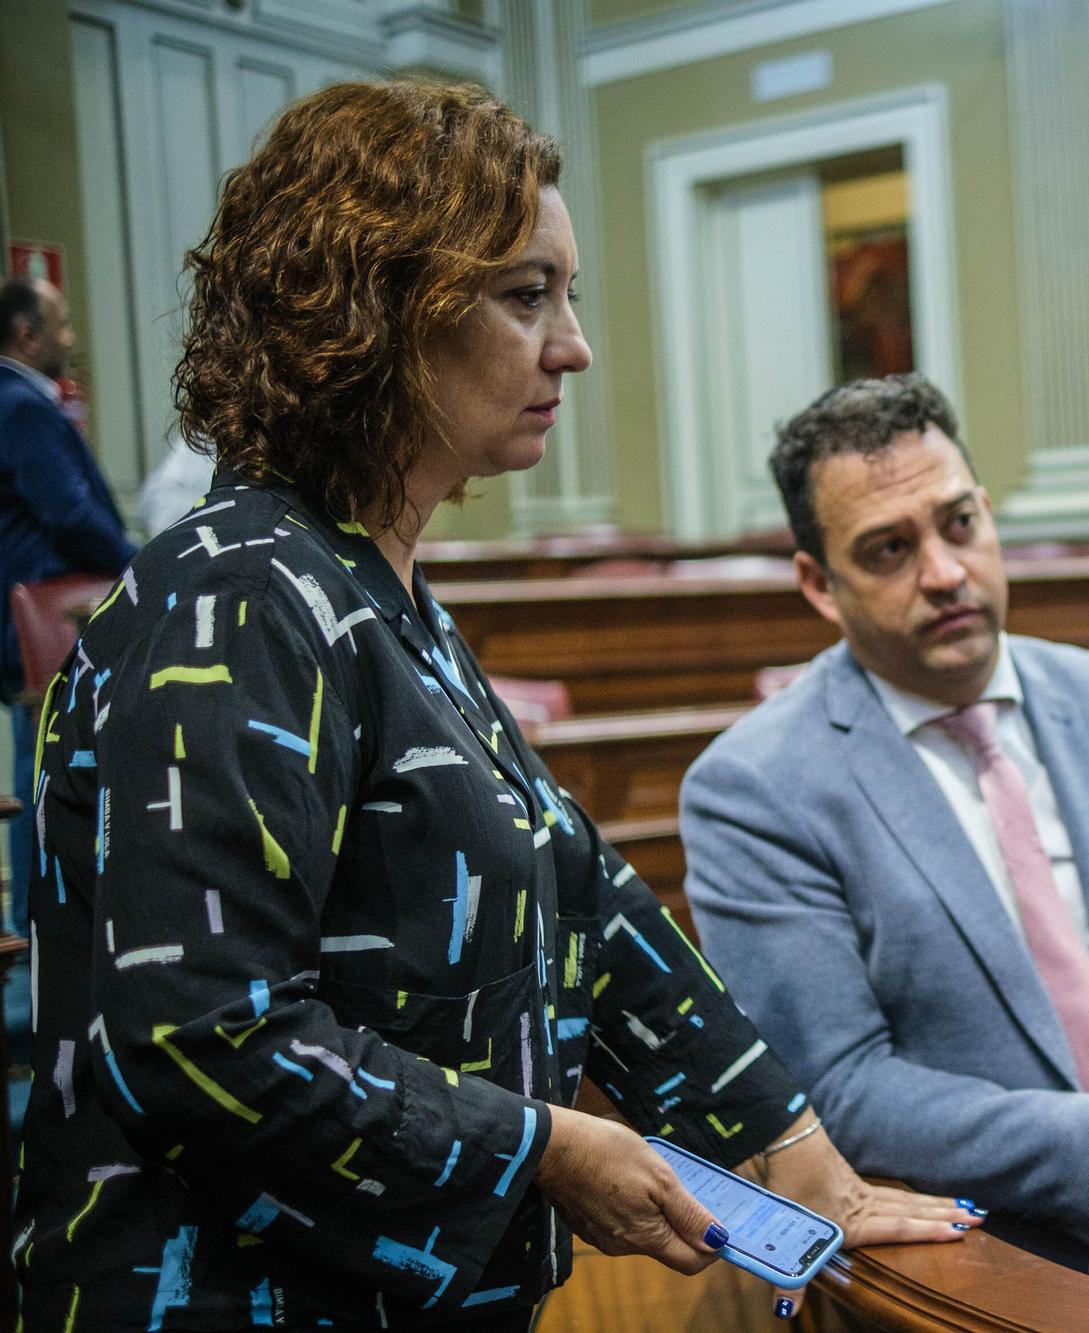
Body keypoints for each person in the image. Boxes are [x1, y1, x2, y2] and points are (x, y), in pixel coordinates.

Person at [15, 82, 976, 1331]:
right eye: (526, 296)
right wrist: (544, 1145)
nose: (570, 345)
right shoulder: (241, 595)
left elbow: (577, 888)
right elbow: (203, 1034)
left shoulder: (369, 582)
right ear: (373, 308)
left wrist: (797, 1155)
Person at [681, 374, 1089, 1321]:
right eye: (888, 549)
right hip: (980, 1278)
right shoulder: (756, 788)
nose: (943, 571)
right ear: (818, 583)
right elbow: (838, 1089)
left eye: (958, 523)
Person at [0, 275, 135, 935]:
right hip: (43, 623)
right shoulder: (21, 404)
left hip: (33, 619)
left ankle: (34, 929)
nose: (70, 338)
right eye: (60, 324)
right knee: (43, 775)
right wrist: (141, 564)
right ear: (26, 334)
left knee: (41, 769)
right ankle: (34, 931)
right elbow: (68, 511)